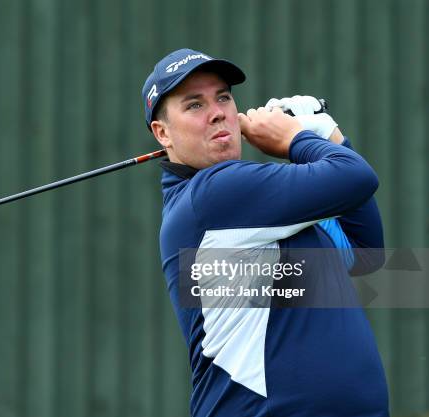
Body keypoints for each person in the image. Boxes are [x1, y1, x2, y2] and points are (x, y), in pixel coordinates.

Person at [142, 48, 388, 417]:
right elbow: (356, 176)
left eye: (223, 97)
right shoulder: (211, 196)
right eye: (194, 105)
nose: (218, 112)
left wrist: (323, 136)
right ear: (163, 133)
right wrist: (303, 138)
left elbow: (364, 252)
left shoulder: (264, 209)